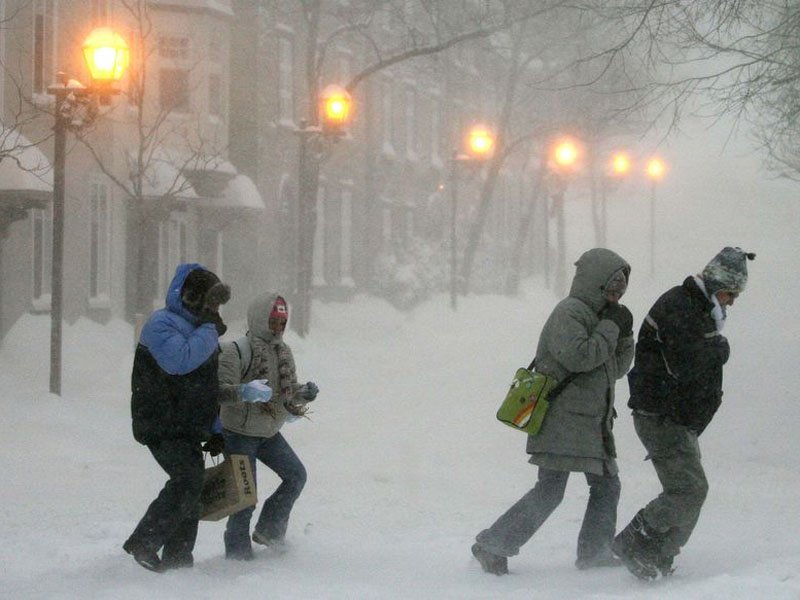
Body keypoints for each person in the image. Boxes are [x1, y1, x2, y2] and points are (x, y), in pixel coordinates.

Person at [472, 248, 635, 575]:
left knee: (604, 486)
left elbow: (614, 369)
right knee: (551, 491)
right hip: (563, 419)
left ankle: (593, 552)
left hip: (591, 424)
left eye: (621, 289)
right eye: (611, 287)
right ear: (594, 283)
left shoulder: (602, 317)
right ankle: (493, 545)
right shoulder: (570, 313)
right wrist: (610, 329)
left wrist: (625, 334)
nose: (616, 294)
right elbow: (580, 357)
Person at [613, 247, 755, 581]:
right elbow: (683, 365)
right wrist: (719, 351)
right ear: (717, 283)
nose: (732, 301)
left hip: (674, 416)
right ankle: (635, 542)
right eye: (730, 293)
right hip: (661, 415)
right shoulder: (680, 306)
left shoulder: (697, 307)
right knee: (689, 490)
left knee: (692, 489)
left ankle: (658, 553)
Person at [123, 263, 231, 572]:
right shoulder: (161, 325)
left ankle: (179, 558)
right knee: (187, 480)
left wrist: (215, 428)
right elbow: (180, 362)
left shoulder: (201, 331)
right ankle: (145, 541)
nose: (211, 309)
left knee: (193, 490)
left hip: (187, 426)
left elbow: (205, 386)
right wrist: (210, 327)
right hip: (160, 421)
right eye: (208, 301)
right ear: (189, 295)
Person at [217, 292, 320, 560]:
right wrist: (244, 392)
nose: (277, 328)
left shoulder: (283, 351)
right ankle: (237, 555)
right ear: (259, 319)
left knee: (296, 475)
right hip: (239, 434)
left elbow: (285, 392)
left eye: (282, 323)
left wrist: (302, 394)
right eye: (273, 321)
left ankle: (270, 531)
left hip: (269, 432)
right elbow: (217, 392)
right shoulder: (236, 351)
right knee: (244, 499)